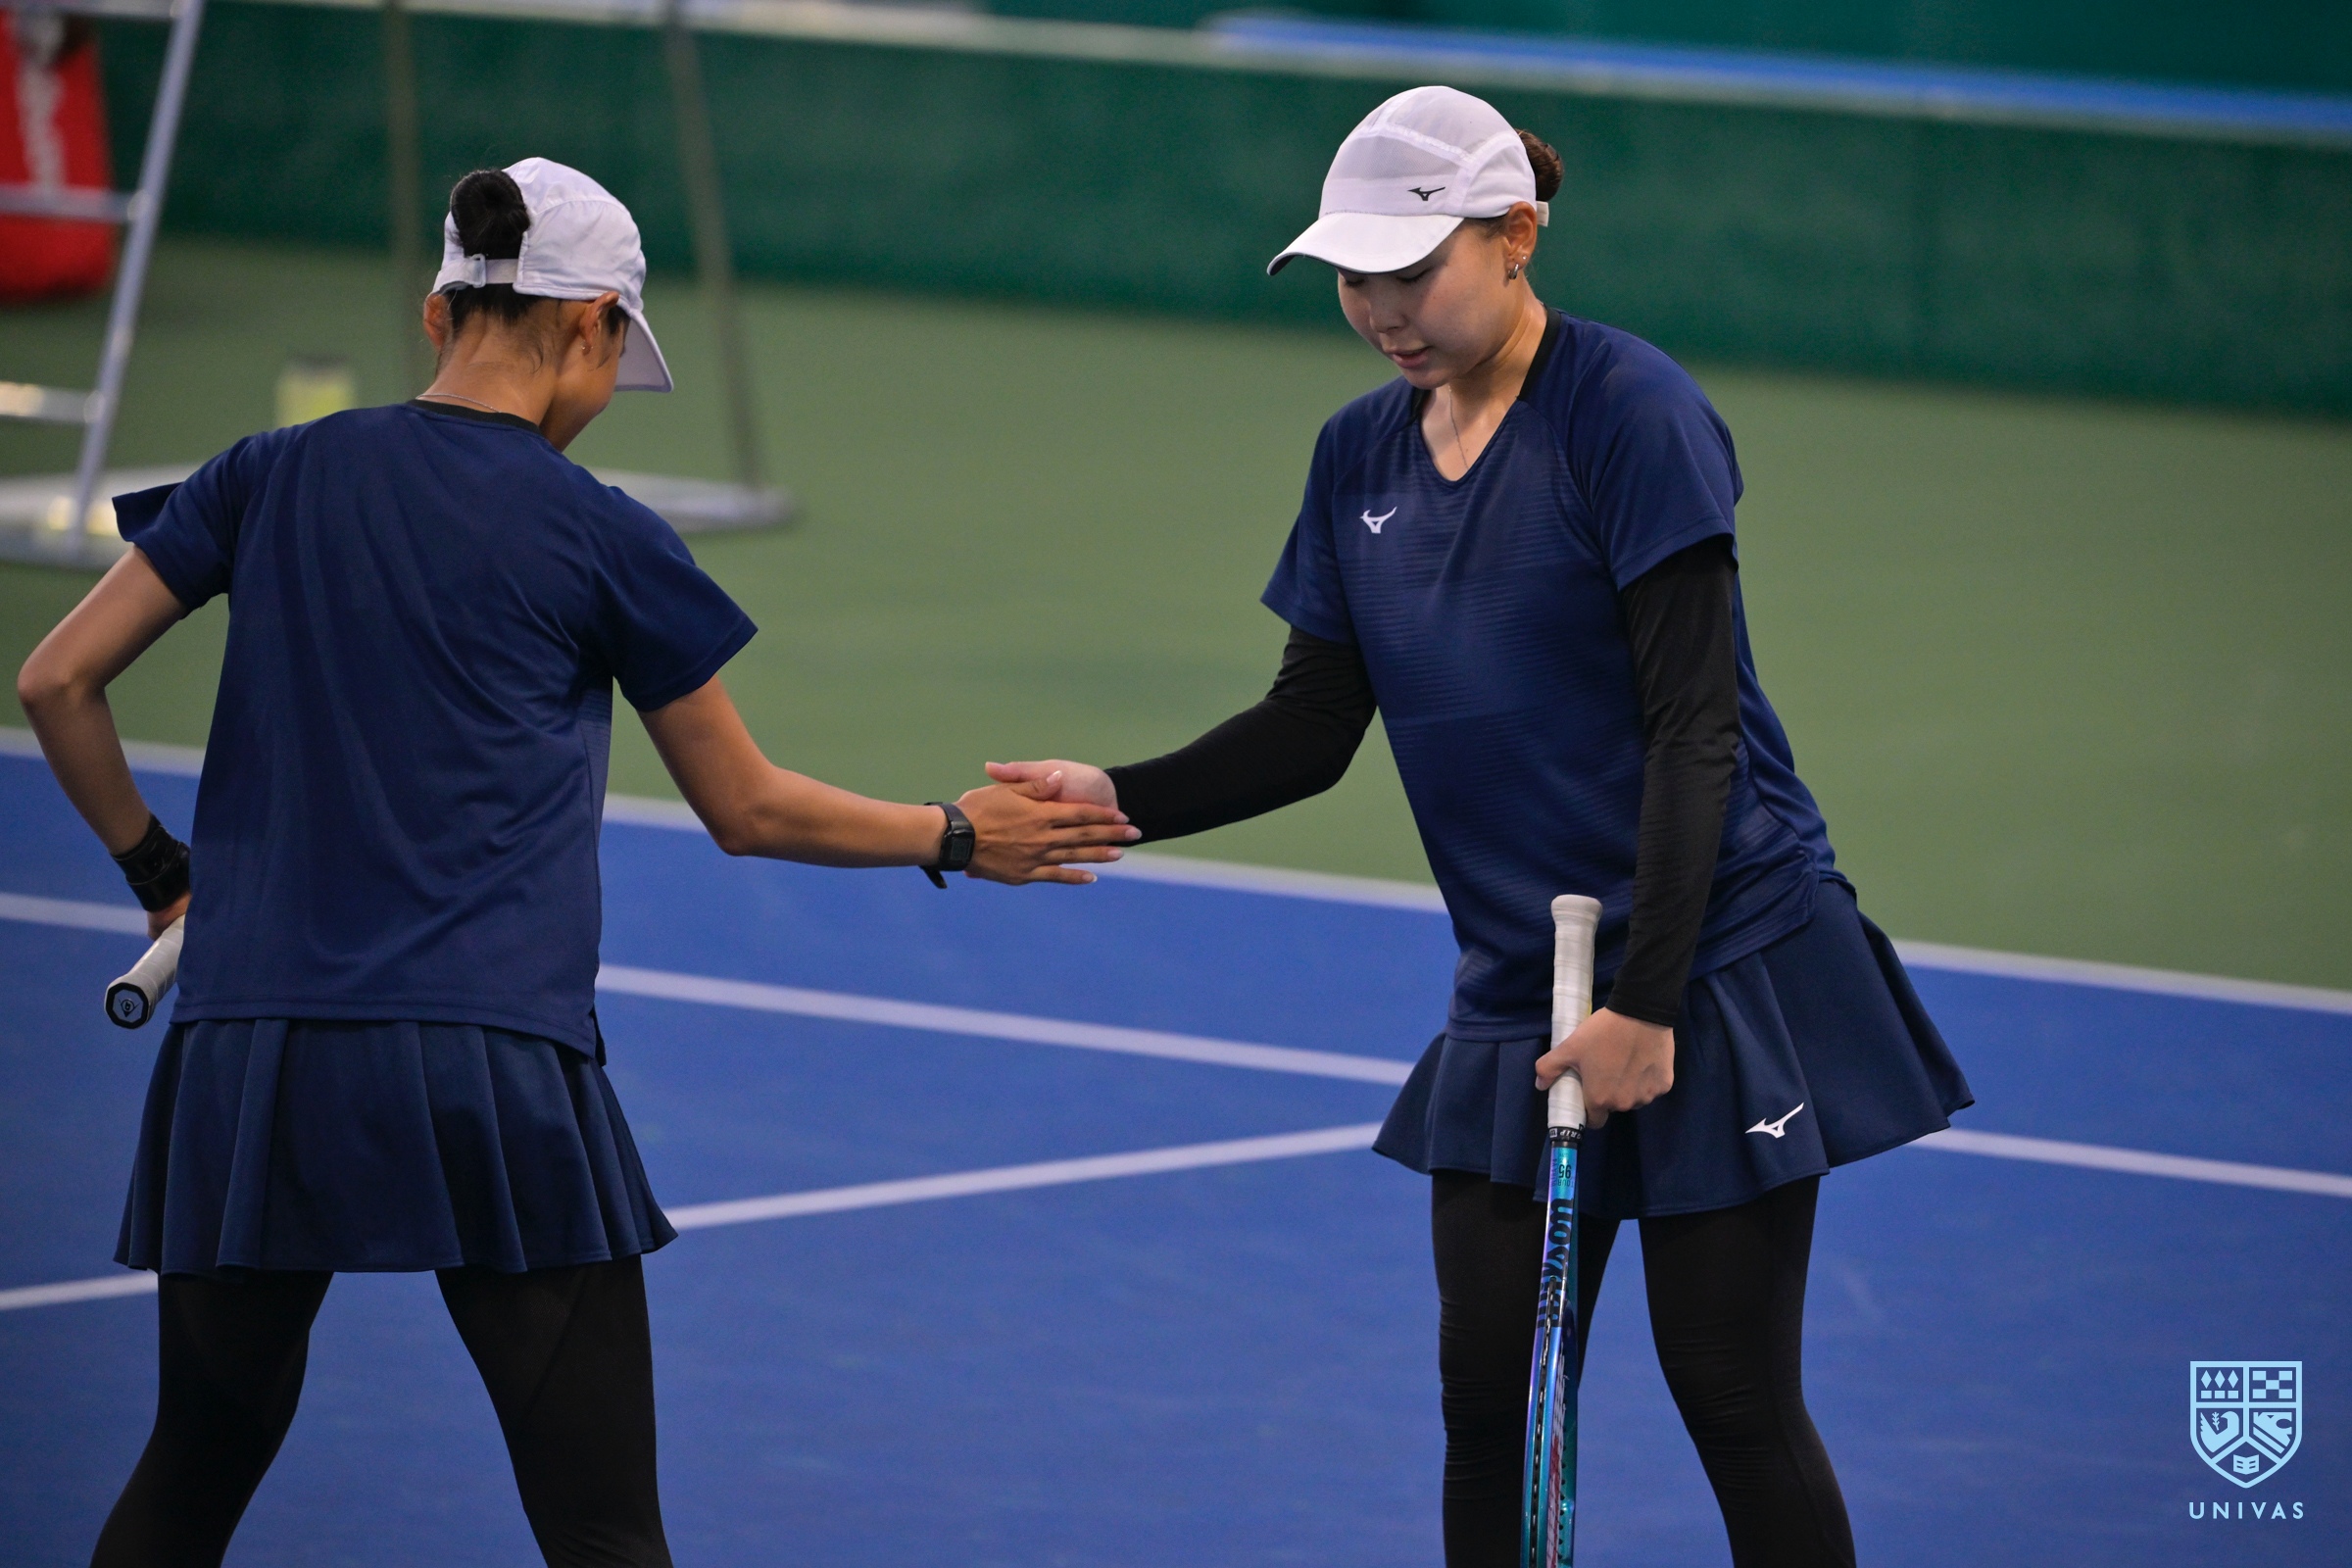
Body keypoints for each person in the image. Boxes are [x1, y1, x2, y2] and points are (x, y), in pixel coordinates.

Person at [15, 158, 1138, 1568]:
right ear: (595, 323)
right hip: (488, 1067)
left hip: (249, 1056)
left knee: (191, 1477)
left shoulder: (264, 473)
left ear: (438, 313)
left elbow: (56, 682)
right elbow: (748, 807)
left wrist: (159, 874)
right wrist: (959, 835)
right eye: (617, 359)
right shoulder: (601, 530)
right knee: (604, 1529)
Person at [988, 86, 1972, 1568]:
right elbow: (1313, 725)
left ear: (1516, 235)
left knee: (1731, 1394)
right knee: (1491, 1411)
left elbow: (1695, 728)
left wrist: (1650, 1004)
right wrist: (1123, 795)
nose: (1380, 309)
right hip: (1521, 984)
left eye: (1411, 268)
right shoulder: (1357, 457)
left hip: (1716, 964)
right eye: (1351, 277)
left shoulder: (1630, 414)